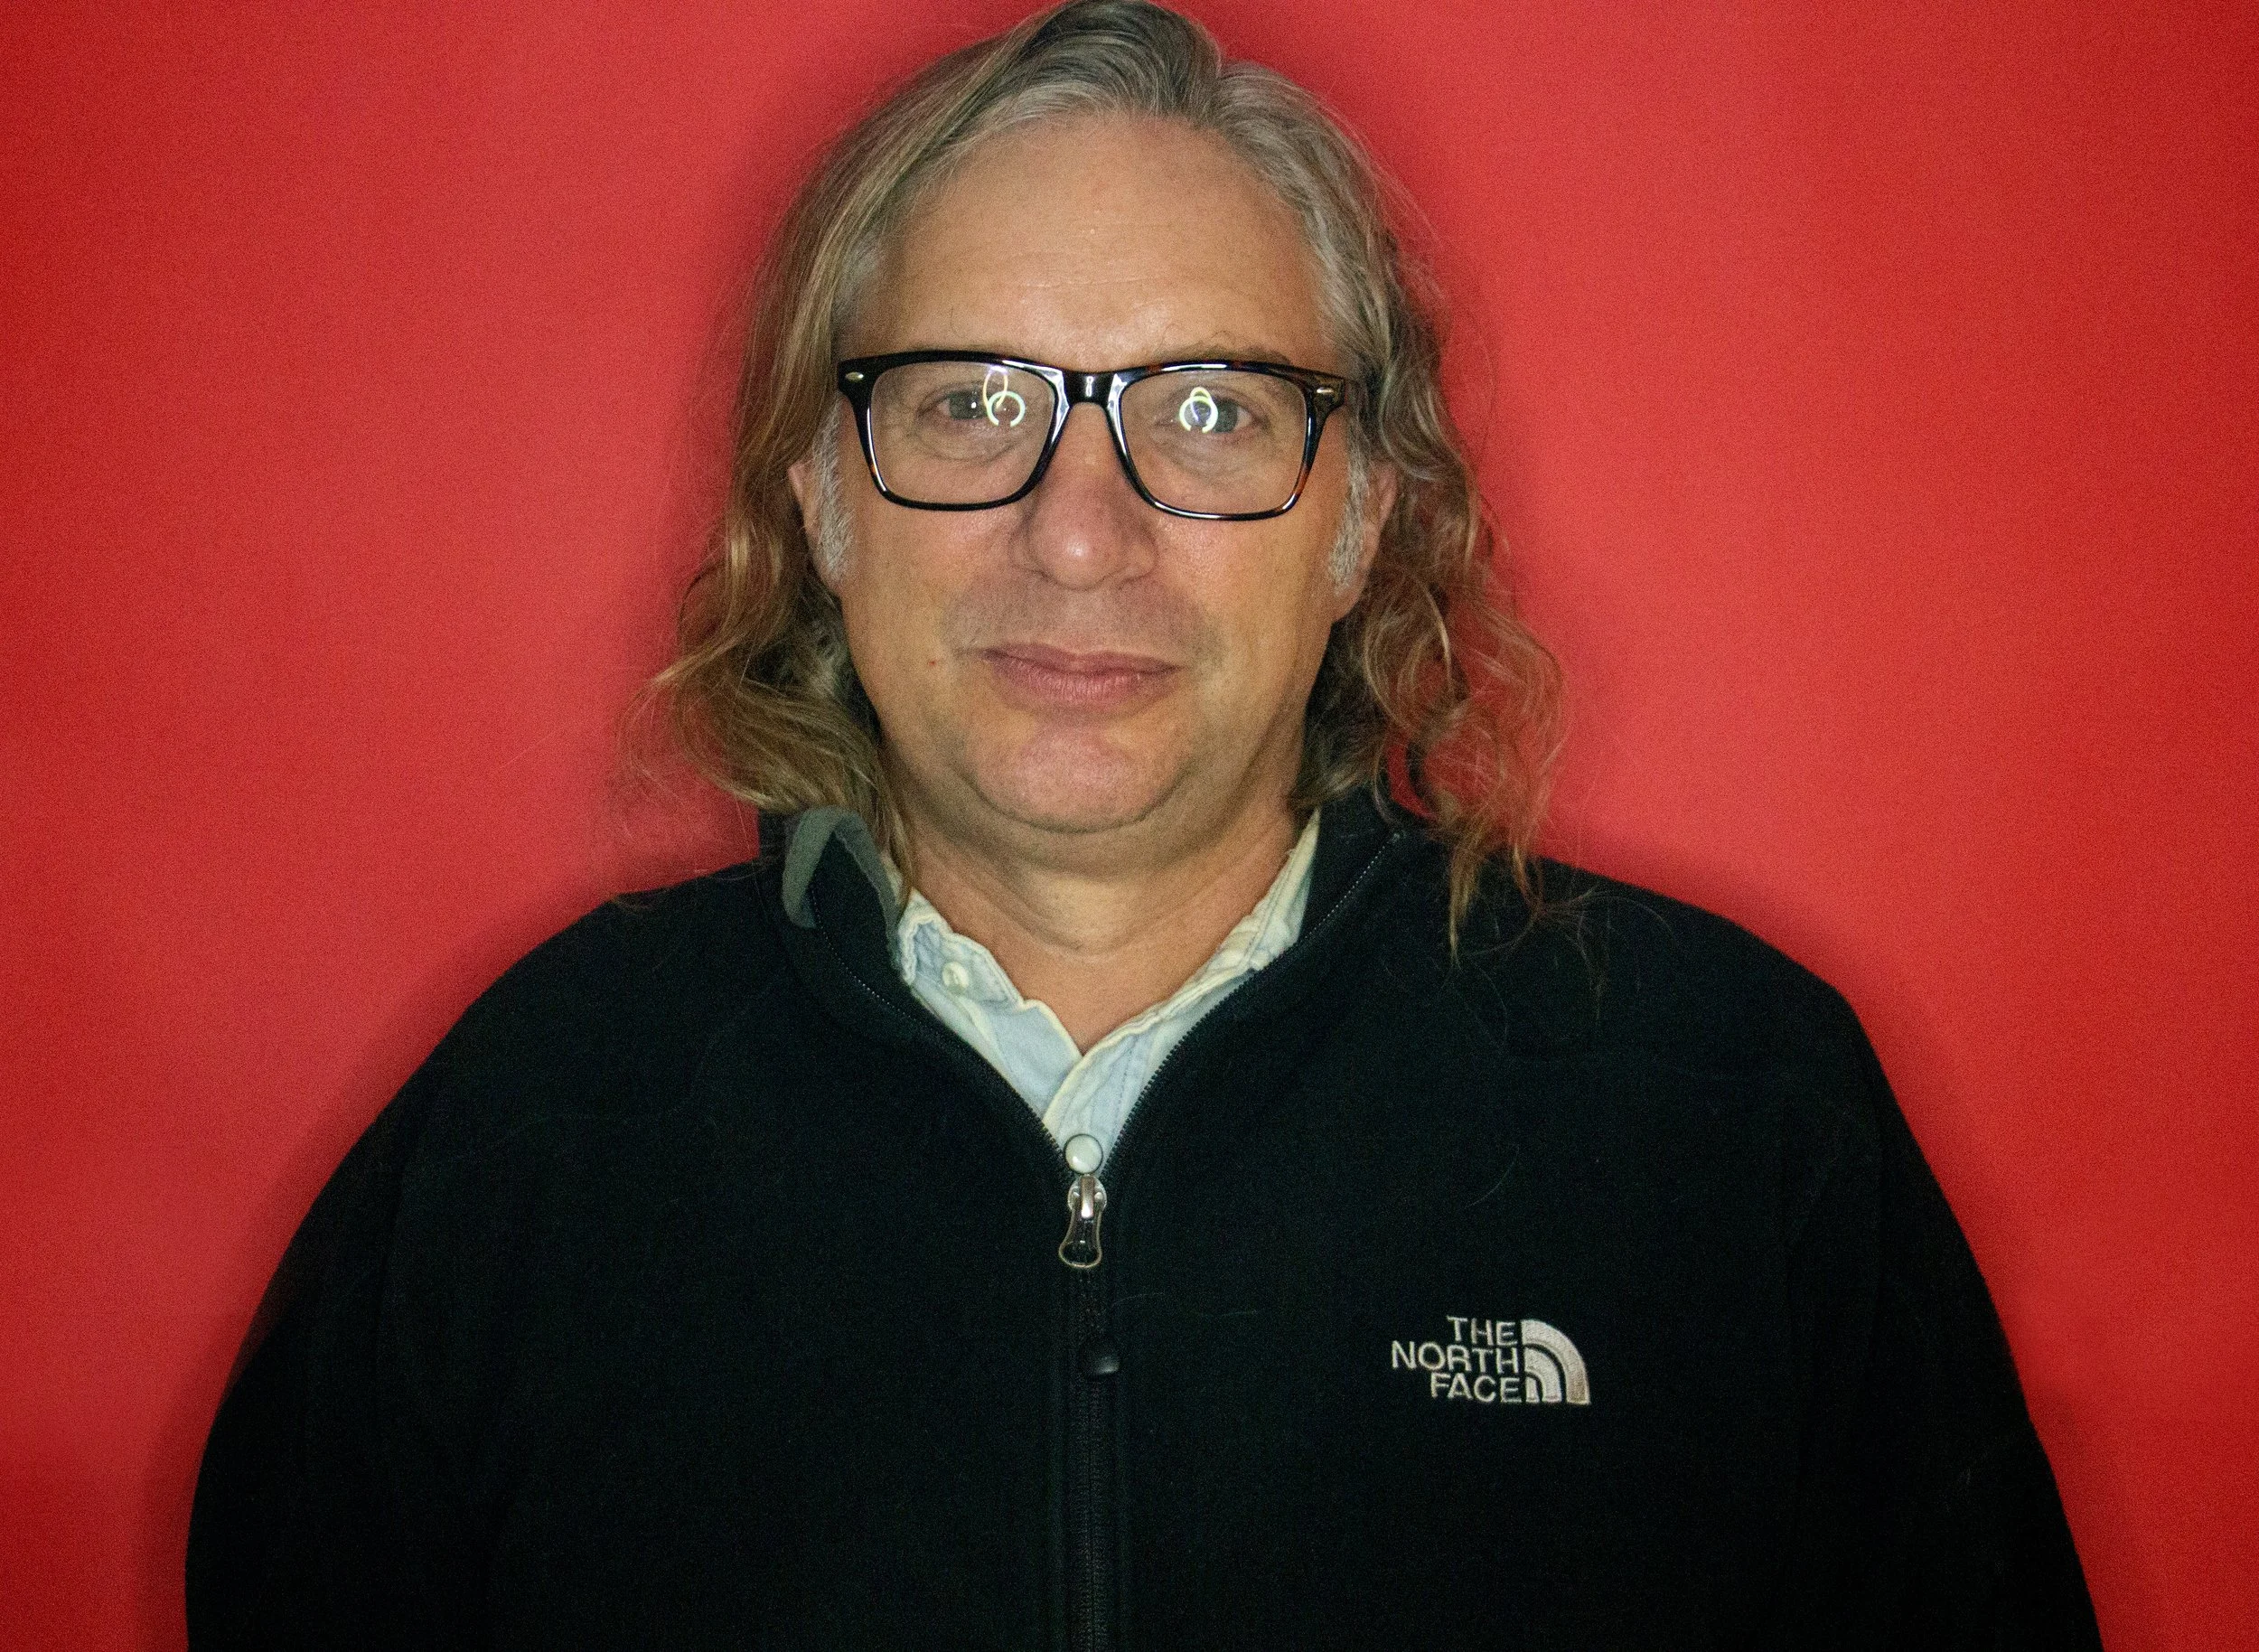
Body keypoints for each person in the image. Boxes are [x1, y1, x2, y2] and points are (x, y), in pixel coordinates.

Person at [186, 3, 2102, 1646]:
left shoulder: (1731, 1119)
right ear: (826, 507)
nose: (1077, 530)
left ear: (1360, 515)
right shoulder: (527, 1137)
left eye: (1205, 411)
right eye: (962, 404)